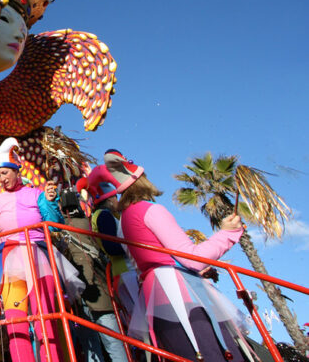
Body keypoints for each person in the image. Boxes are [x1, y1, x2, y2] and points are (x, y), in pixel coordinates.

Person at [94, 149, 253, 362]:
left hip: (153, 297)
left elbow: (155, 254)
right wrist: (228, 233)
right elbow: (192, 258)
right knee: (212, 352)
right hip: (181, 296)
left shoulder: (124, 219)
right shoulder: (150, 210)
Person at [0, 138, 67, 362]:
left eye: (4, 173)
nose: (1, 179)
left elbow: (54, 224)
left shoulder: (36, 194)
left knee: (45, 319)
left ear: (15, 170)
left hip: (37, 258)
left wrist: (50, 201)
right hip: (8, 261)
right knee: (15, 321)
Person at [58, 178, 129, 362]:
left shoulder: (69, 225)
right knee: (108, 339)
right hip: (92, 289)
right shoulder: (88, 220)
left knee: (98, 340)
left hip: (85, 290)